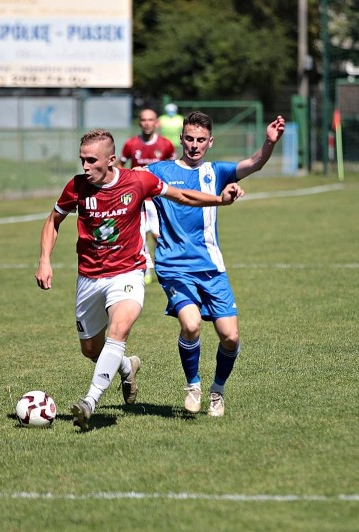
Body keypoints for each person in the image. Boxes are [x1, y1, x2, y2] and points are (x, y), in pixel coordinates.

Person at [35, 129, 244, 430]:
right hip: (89, 277)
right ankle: (126, 365)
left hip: (128, 272)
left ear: (111, 159)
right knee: (91, 350)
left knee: (118, 331)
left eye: (91, 160)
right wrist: (44, 260)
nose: (85, 166)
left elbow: (181, 194)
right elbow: (53, 220)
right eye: (82, 160)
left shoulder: (138, 181)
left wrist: (220, 200)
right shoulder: (77, 187)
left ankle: (89, 402)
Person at [147, 111, 285, 417]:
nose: (194, 145)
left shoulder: (216, 171)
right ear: (180, 138)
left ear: (210, 142)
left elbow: (253, 163)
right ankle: (193, 386)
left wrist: (269, 143)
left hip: (211, 267)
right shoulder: (158, 171)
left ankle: (217, 391)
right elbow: (127, 183)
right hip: (173, 266)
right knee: (191, 324)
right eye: (189, 139)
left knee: (230, 336)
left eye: (200, 140)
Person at [117, 108, 177, 284]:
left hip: (159, 198)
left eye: (150, 120)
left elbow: (173, 169)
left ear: (156, 122)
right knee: (139, 236)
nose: (147, 123)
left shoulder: (166, 145)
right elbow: (120, 165)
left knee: (159, 236)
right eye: (143, 120)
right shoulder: (131, 144)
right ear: (139, 122)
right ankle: (145, 269)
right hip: (139, 199)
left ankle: (164, 267)